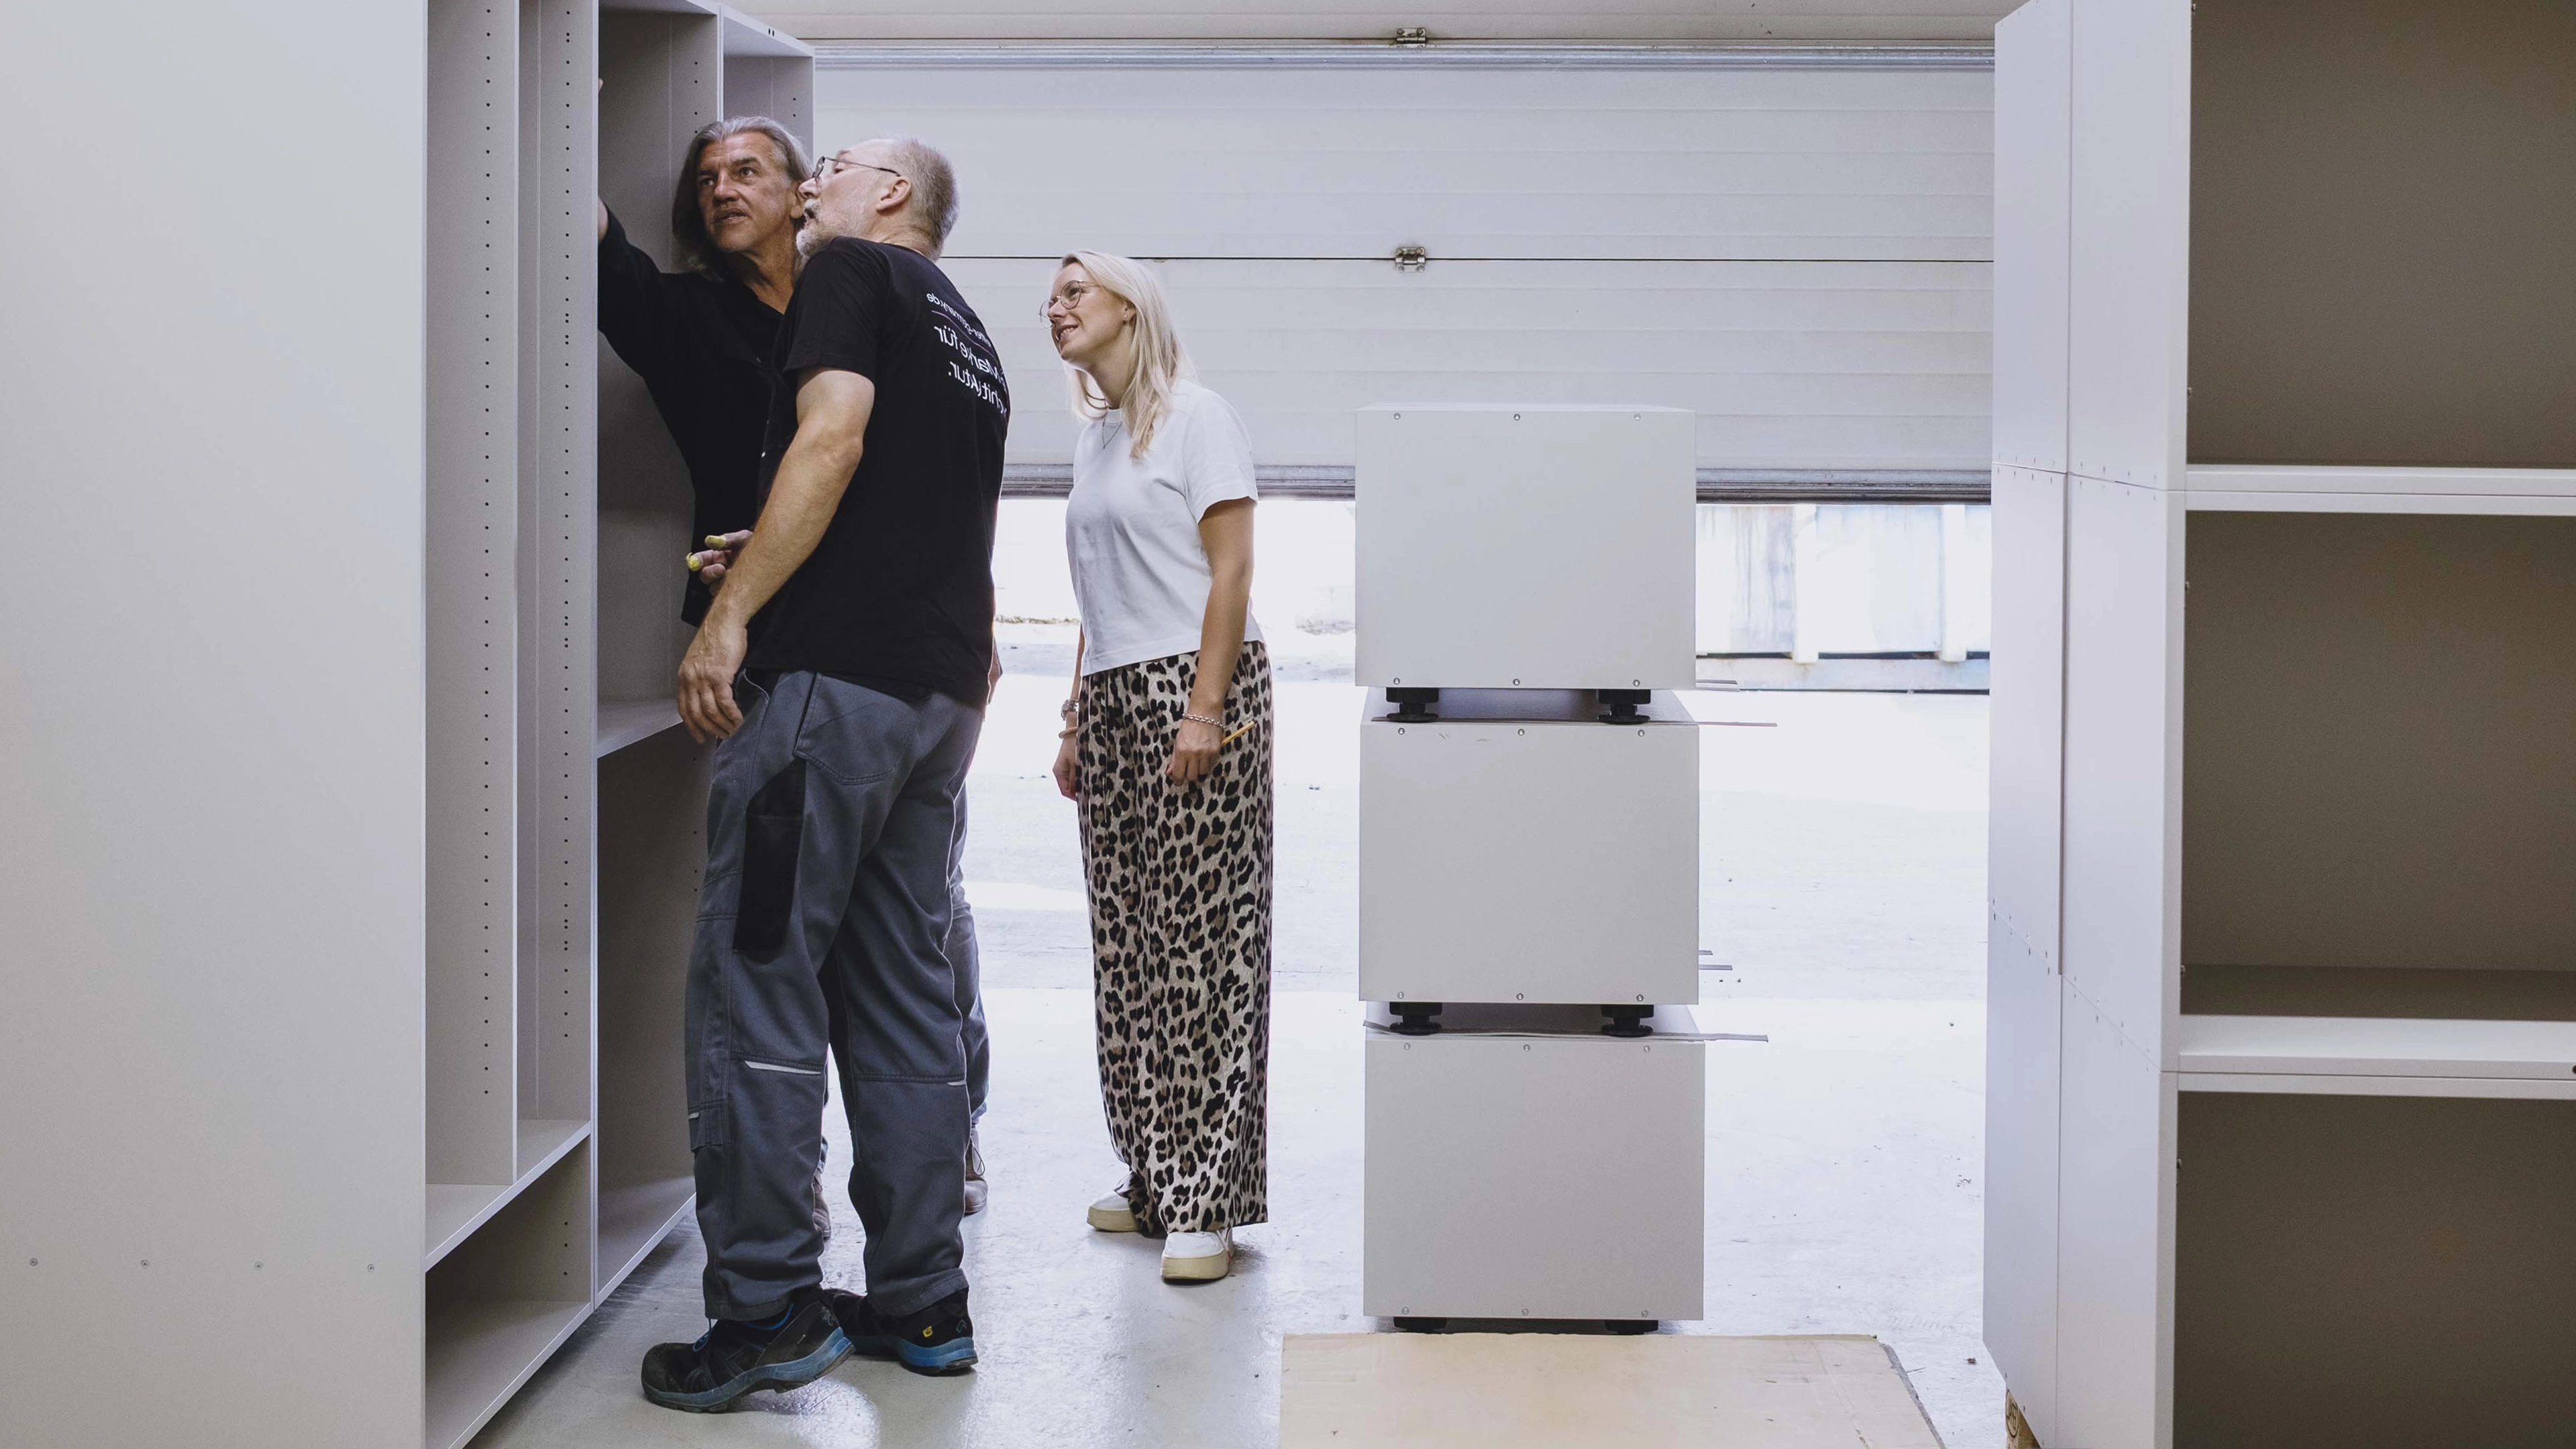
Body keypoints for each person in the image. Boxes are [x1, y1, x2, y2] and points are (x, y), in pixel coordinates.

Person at [640, 136, 1006, 1409]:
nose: (812, 185)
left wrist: (730, 613)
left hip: (829, 704)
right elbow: (924, 518)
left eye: (836, 164)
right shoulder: (972, 332)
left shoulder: (850, 268)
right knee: (907, 1003)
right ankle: (923, 1306)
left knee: (755, 990)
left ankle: (764, 1311)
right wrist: (782, 557)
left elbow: (833, 442)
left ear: (889, 195)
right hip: (938, 699)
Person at [1045, 252, 1275, 1284]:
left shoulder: (1199, 416)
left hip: (1199, 687)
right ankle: (1152, 1169)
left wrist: (1207, 710)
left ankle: (1207, 1200)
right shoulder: (1097, 438)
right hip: (1117, 701)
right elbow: (1100, 593)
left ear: (1132, 310)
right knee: (1128, 950)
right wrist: (1073, 722)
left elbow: (1231, 570)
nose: (1056, 307)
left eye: (1074, 291)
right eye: (1050, 295)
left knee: (1203, 950)